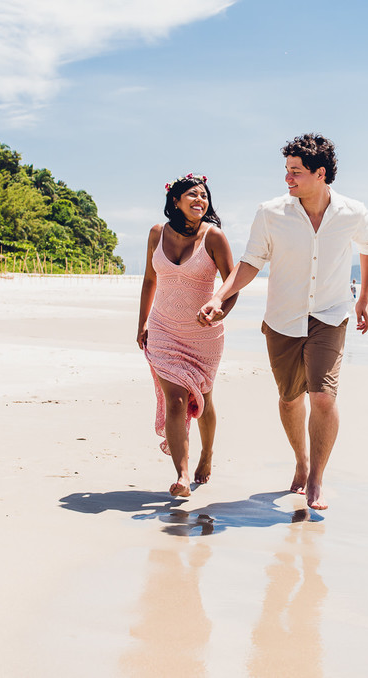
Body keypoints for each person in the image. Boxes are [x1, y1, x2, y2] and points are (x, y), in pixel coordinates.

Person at [199, 134, 368, 510]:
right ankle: (300, 458)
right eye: (286, 171)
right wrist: (219, 296)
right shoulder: (270, 213)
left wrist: (362, 299)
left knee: (323, 398)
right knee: (289, 399)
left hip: (330, 315)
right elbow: (250, 263)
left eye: (295, 172)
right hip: (283, 319)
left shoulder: (352, 212)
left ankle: (316, 479)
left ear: (320, 174)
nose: (288, 179)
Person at [138, 173, 238, 498]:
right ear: (176, 201)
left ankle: (207, 454)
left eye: (204, 196)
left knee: (204, 400)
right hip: (164, 329)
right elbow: (149, 280)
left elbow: (231, 284)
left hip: (203, 335)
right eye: (193, 195)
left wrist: (220, 309)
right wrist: (142, 323)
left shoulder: (214, 237)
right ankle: (182, 474)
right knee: (176, 399)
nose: (200, 201)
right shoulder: (157, 233)